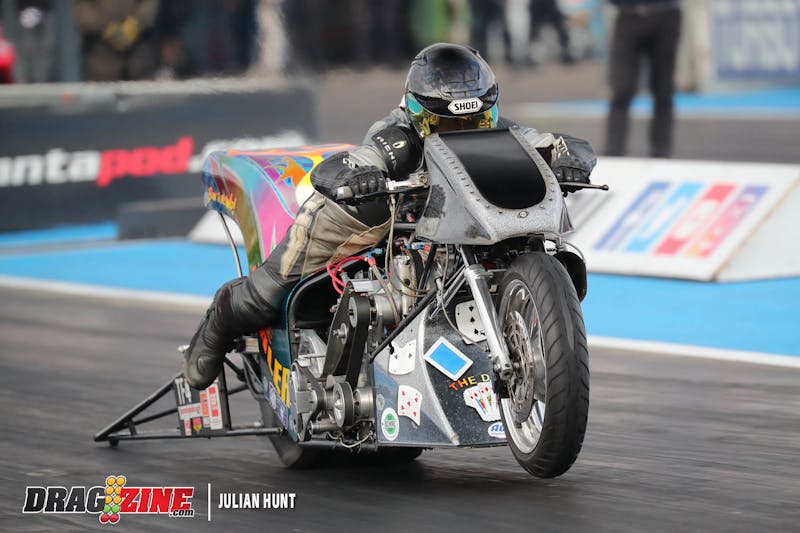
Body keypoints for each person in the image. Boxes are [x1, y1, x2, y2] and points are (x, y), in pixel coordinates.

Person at [183, 42, 596, 390]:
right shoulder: (395, 137)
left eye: (477, 120)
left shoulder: (503, 131)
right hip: (381, 218)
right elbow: (347, 163)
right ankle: (219, 321)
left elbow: (564, 144)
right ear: (417, 114)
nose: (466, 132)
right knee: (268, 292)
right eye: (447, 125)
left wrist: (570, 162)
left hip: (460, 224)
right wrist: (358, 177)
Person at [604, 0, 682, 158]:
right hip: (628, 14)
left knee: (663, 89)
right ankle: (614, 151)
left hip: (666, 13)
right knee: (621, 89)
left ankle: (662, 152)